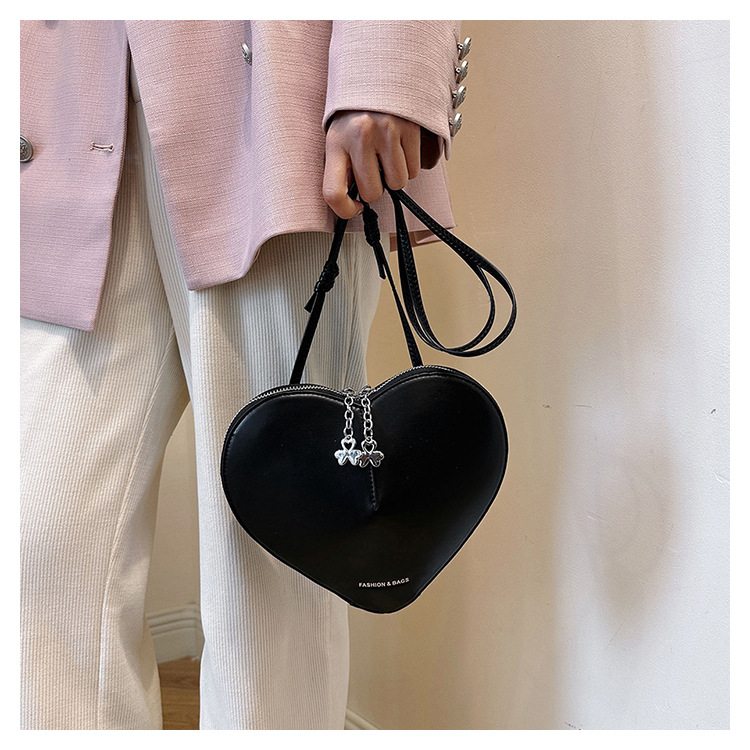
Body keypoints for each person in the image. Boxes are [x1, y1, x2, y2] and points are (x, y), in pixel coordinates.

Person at [20, 20, 467, 729]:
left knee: (271, 570)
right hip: (64, 118)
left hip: (271, 116)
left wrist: (387, 64)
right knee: (37, 544)